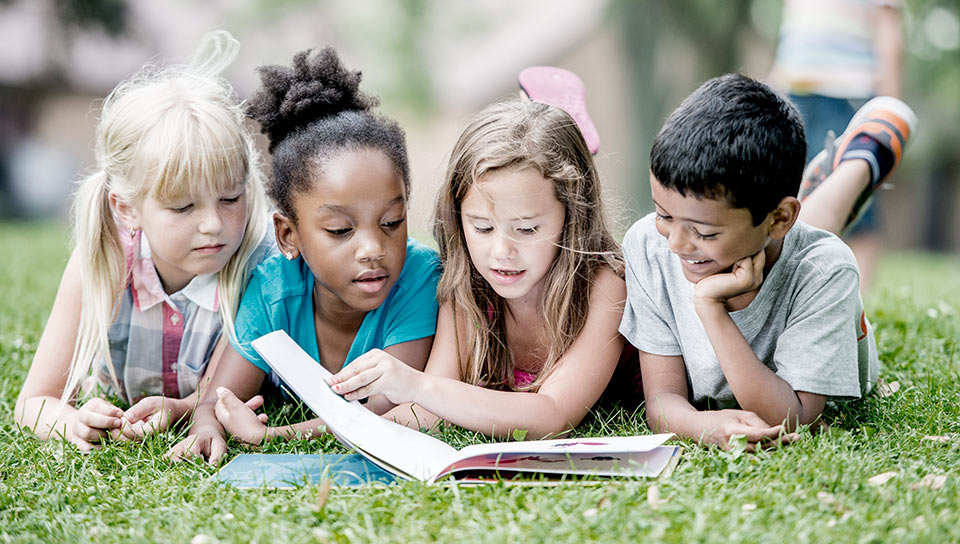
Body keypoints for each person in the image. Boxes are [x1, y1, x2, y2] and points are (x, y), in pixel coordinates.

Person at [167, 47, 441, 463]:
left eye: (391, 222)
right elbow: (218, 398)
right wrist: (206, 427)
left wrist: (272, 436)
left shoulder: (419, 279)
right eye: (340, 230)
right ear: (288, 235)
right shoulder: (272, 289)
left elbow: (381, 412)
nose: (373, 249)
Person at [620, 74, 916, 451]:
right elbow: (662, 400)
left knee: (807, 244)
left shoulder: (824, 270)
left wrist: (711, 308)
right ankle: (819, 184)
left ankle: (863, 158)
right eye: (664, 215)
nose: (675, 244)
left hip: (791, 241)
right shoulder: (649, 245)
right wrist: (700, 425)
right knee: (796, 231)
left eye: (703, 232)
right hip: (772, 225)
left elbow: (795, 418)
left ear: (779, 218)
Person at [14, 31, 274, 451]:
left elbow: (214, 400)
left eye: (230, 198)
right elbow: (34, 401)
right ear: (127, 208)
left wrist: (182, 410)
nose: (213, 224)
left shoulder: (258, 264)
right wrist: (73, 423)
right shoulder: (103, 259)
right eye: (183, 207)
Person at [324, 95, 632, 440]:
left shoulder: (604, 284)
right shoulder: (467, 286)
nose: (501, 252)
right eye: (482, 228)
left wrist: (416, 385)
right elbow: (430, 411)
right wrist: (303, 432)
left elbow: (553, 415)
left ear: (572, 216)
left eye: (526, 229)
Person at [769, 0, 906, 289]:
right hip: (796, 92)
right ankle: (799, 287)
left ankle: (861, 292)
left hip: (846, 93)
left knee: (855, 193)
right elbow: (792, 36)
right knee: (795, 191)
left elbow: (888, 30)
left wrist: (889, 107)